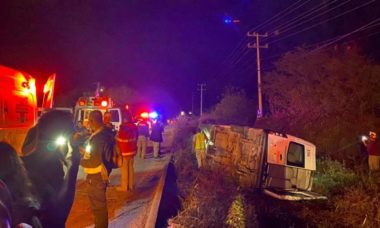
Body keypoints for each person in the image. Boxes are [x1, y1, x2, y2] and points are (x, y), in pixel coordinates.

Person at [21, 110, 81, 227]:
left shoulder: (28, 161)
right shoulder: (49, 168)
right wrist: (73, 165)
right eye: (72, 130)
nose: (75, 134)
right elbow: (59, 215)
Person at [80, 110, 113, 228]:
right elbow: (98, 154)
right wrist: (85, 152)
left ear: (92, 120)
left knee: (99, 208)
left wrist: (80, 160)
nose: (88, 123)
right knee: (99, 208)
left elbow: (94, 162)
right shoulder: (105, 133)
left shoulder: (98, 137)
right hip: (101, 175)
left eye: (89, 120)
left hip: (96, 177)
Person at [116, 114, 137, 191]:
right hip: (132, 152)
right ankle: (130, 186)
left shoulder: (122, 128)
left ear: (125, 119)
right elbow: (135, 138)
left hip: (124, 152)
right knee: (131, 169)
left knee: (124, 170)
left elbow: (119, 141)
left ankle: (124, 187)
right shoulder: (134, 128)